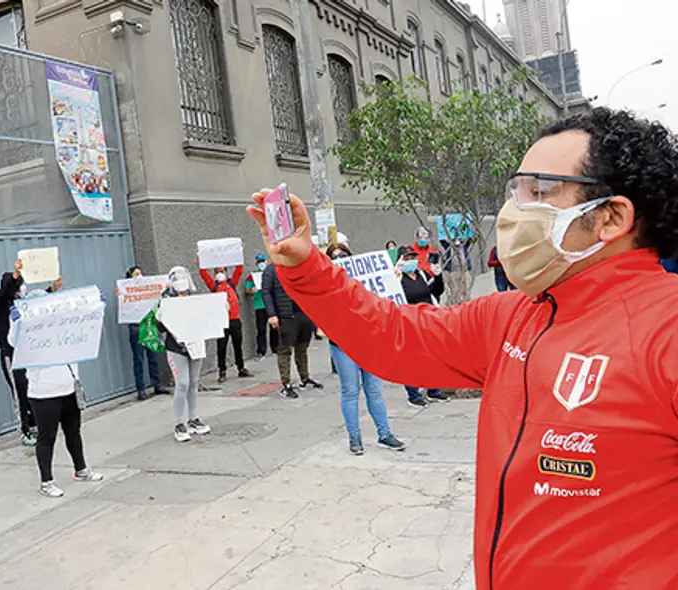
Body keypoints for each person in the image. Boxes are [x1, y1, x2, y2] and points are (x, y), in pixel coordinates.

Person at [247, 107, 678, 589]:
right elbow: (393, 337)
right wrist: (306, 265)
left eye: (539, 193)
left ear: (611, 217)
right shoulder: (515, 315)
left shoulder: (666, 329)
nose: (516, 212)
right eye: (516, 192)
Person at [24, 277, 103, 497]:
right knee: (47, 437)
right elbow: (13, 341)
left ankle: (81, 469)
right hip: (43, 393)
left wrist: (96, 306)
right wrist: (18, 321)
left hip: (68, 388)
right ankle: (46, 481)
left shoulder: (63, 324)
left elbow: (85, 323)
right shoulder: (25, 331)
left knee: (73, 432)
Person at [326, 243, 406, 455]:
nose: (339, 259)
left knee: (374, 390)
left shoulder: (362, 283)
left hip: (368, 342)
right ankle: (355, 438)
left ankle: (385, 434)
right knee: (350, 391)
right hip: (343, 345)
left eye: (343, 255)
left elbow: (382, 295)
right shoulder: (326, 287)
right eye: (334, 257)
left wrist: (392, 277)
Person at [157, 266, 211, 442]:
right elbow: (161, 325)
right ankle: (179, 423)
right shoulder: (166, 299)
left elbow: (206, 316)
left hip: (195, 344)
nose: (180, 281)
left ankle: (193, 418)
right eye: (176, 278)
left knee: (194, 381)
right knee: (183, 383)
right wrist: (160, 318)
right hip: (176, 346)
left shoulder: (194, 297)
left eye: (182, 277)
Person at [0, 259, 37, 446]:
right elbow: (6, 290)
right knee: (19, 392)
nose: (19, 292)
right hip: (11, 355)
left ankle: (34, 424)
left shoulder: (20, 303)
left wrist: (52, 290)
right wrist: (16, 275)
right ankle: (24, 430)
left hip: (26, 353)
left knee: (31, 389)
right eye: (17, 288)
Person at [395, 245, 450, 407]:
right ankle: (413, 394)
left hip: (428, 321)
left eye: (413, 258)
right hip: (408, 324)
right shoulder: (397, 279)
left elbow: (436, 291)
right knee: (410, 360)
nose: (411, 261)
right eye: (407, 258)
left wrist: (438, 276)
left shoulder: (422, 275)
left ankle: (434, 390)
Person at [261, 257, 322, 399]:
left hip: (303, 312)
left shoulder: (298, 267)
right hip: (285, 315)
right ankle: (286, 384)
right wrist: (272, 314)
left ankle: (304, 378)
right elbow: (266, 293)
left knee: (302, 347)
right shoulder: (271, 271)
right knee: (285, 349)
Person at [198, 259, 252, 382]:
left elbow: (239, 269)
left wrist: (238, 253)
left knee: (237, 345)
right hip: (221, 322)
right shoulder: (214, 285)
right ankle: (222, 371)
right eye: (217, 272)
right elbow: (203, 273)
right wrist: (200, 259)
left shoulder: (232, 283)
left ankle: (241, 368)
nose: (220, 273)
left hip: (235, 320)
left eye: (222, 271)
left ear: (226, 272)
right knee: (221, 347)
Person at [122, 266, 167, 400]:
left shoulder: (147, 289)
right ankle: (141, 389)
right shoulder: (127, 291)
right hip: (136, 328)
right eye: (136, 274)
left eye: (141, 273)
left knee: (153, 357)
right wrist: (121, 294)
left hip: (149, 326)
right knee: (139, 359)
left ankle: (157, 384)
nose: (140, 276)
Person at [245, 254, 279, 359]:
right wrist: (252, 290)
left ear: (267, 261)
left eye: (263, 261)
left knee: (274, 328)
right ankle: (261, 351)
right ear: (256, 263)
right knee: (261, 329)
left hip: (271, 304)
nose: (261, 264)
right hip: (259, 305)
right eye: (259, 262)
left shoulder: (271, 273)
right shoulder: (252, 276)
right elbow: (247, 290)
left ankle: (275, 348)